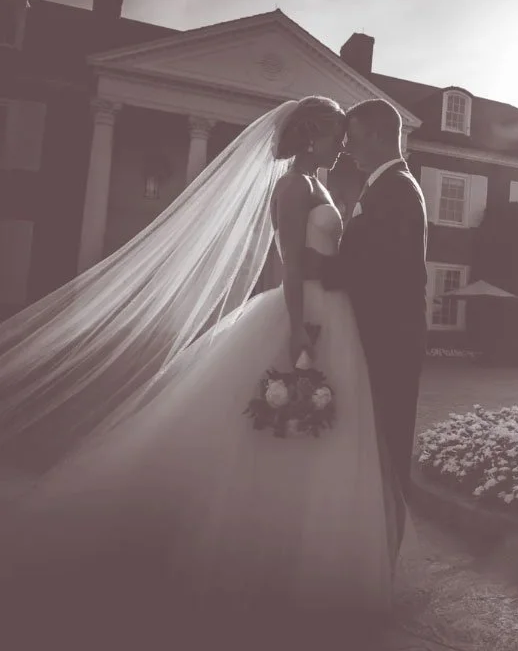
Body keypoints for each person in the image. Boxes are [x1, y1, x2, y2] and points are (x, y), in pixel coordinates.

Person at [0, 96, 406, 644]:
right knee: (278, 430)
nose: (345, 144)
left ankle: (294, 545)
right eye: (338, 134)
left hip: (336, 317)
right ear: (313, 136)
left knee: (320, 435)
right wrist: (297, 332)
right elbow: (289, 264)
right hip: (307, 315)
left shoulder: (320, 184)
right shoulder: (293, 187)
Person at [310, 99, 428, 517]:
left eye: (354, 138)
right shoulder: (387, 185)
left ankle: (386, 531)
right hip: (383, 335)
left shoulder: (396, 189)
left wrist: (313, 266)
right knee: (375, 442)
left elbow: (376, 269)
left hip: (389, 340)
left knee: (387, 445)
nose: (346, 148)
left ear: (377, 136)